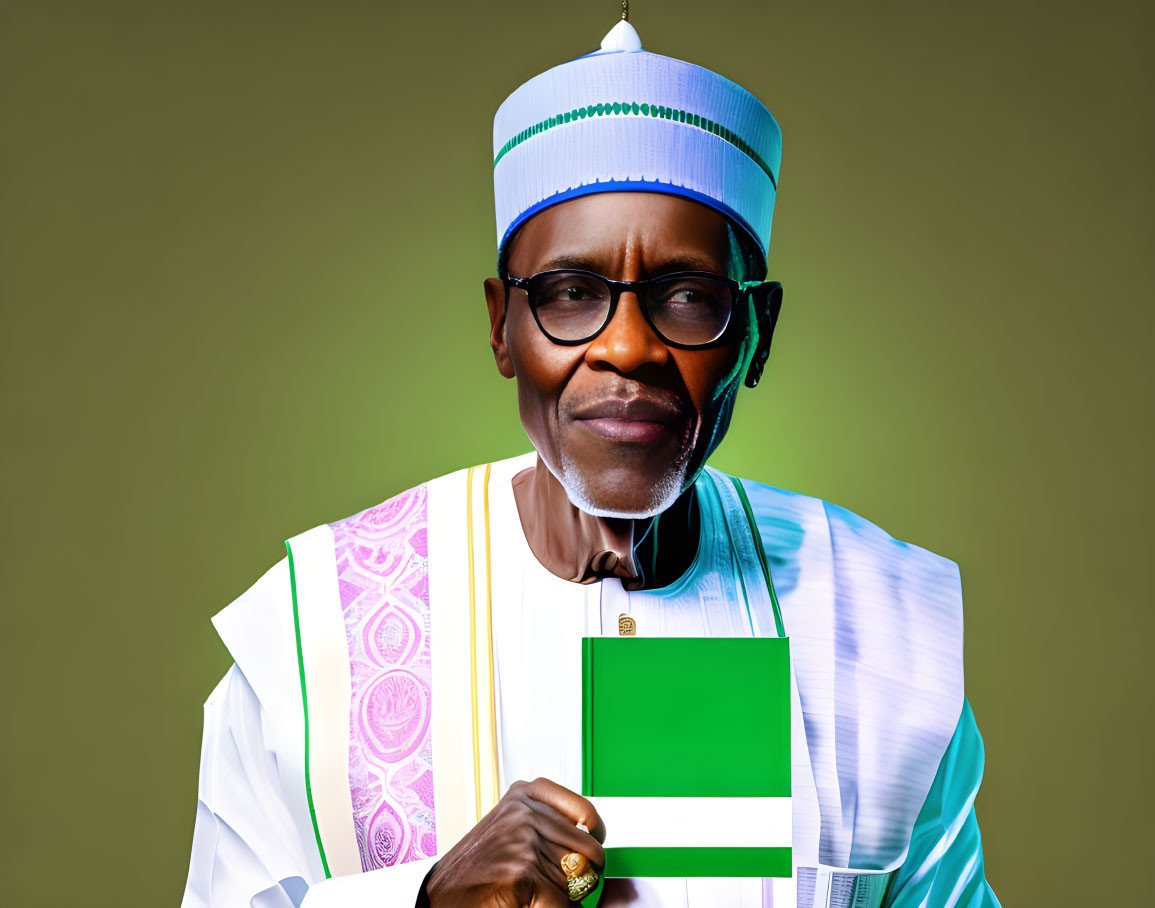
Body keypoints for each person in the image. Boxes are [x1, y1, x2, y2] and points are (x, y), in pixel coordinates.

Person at [181, 15, 999, 908]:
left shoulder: (882, 631)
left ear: (756, 336)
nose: (627, 348)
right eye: (572, 294)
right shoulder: (309, 636)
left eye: (688, 298)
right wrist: (416, 901)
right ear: (503, 327)